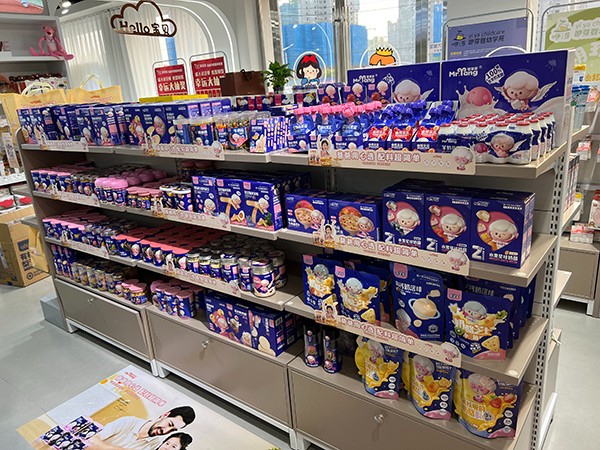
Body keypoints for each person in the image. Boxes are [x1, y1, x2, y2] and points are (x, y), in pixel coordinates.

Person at [88, 406, 196, 450]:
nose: (166, 431)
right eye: (169, 424)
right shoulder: (129, 422)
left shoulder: (154, 445)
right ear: (165, 415)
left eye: (173, 430)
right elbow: (89, 439)